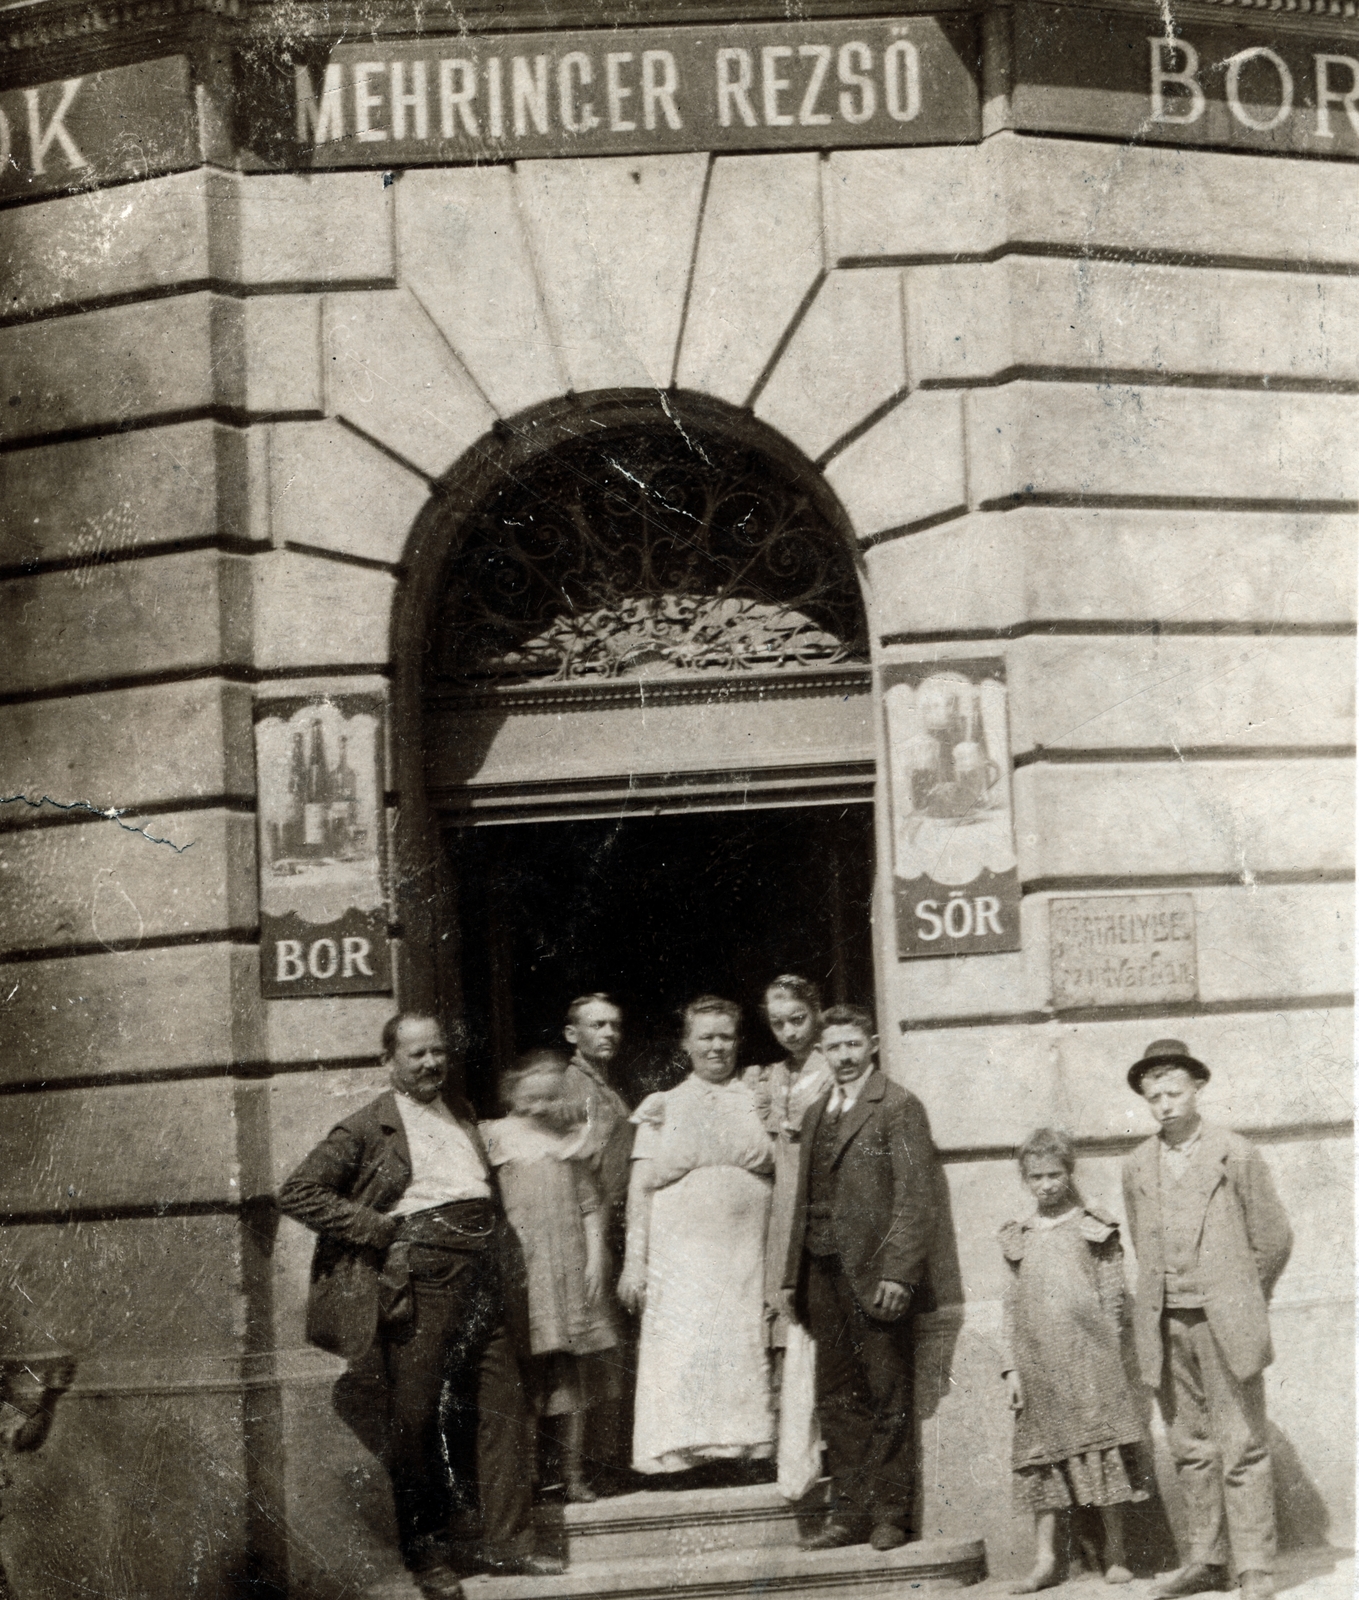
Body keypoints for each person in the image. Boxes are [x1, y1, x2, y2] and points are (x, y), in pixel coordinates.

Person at [278, 1014, 565, 1600]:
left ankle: (508, 1545)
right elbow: (297, 1191)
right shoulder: (368, 1126)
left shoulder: (459, 1111)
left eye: (438, 1052)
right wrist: (375, 1228)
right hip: (423, 1280)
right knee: (415, 1419)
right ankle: (427, 1557)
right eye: (417, 1055)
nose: (431, 1063)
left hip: (486, 1271)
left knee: (503, 1404)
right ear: (390, 1062)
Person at [1122, 1041, 1292, 1600]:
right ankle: (1205, 1559)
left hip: (1224, 1324)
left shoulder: (1234, 1153)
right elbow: (1144, 1246)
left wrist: (1240, 1295)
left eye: (1174, 1093)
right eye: (1154, 1098)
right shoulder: (1137, 1164)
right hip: (1165, 1325)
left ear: (1197, 1089)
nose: (1165, 1106)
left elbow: (1272, 1239)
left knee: (1242, 1445)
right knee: (1190, 1447)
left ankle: (1254, 1568)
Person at [780, 1004, 937, 1553]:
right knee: (836, 1396)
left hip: (875, 1277)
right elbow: (802, 1201)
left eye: (853, 1045)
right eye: (833, 1048)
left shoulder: (897, 1106)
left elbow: (916, 1200)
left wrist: (898, 1273)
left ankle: (892, 1513)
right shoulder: (819, 1109)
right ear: (820, 1053)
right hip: (821, 1272)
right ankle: (848, 1514)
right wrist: (790, 1277)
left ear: (872, 1044)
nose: (844, 1057)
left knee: (886, 1391)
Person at [618, 996, 777, 1473]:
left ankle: (746, 1451)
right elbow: (639, 1190)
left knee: (742, 1345)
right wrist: (634, 1263)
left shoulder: (759, 1099)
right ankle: (679, 1456)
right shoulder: (663, 1107)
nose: (716, 1046)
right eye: (705, 1036)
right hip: (681, 1257)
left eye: (725, 1036)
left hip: (748, 1252)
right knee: (684, 1349)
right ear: (686, 1044)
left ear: (739, 1041)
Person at [999, 1127, 1148, 1594]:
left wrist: (1107, 1350)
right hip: (1038, 1364)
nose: (1046, 1184)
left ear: (1069, 1172)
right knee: (1041, 1462)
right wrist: (1011, 1368)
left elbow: (1112, 1295)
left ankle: (1117, 1553)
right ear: (1025, 1179)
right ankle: (1045, 1559)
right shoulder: (1017, 1237)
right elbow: (1010, 1306)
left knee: (1101, 1451)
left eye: (1054, 1174)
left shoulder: (1093, 1226)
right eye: (1036, 1177)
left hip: (1088, 1360)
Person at [481, 1050, 619, 1504]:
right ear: (511, 1094)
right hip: (526, 1268)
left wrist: (596, 1259)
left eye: (548, 1098)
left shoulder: (569, 1141)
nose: (539, 1107)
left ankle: (573, 1473)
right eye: (530, 1098)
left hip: (569, 1267)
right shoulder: (495, 1138)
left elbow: (590, 1206)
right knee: (526, 1374)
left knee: (572, 1377)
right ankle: (530, 1477)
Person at [742, 976, 833, 1349]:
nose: (789, 1032)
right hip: (782, 1196)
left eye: (798, 1019)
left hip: (817, 1190)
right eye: (778, 1023)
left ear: (816, 1015)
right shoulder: (772, 1074)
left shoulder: (832, 1067)